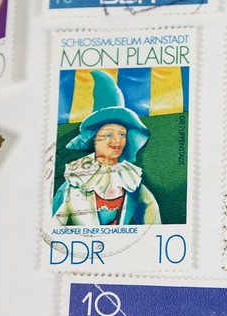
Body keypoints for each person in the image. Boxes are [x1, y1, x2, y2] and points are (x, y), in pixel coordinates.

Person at [52, 70, 160, 226]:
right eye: (109, 135)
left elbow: (153, 216)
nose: (117, 141)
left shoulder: (131, 180)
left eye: (122, 134)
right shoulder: (75, 180)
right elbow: (54, 226)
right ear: (93, 139)